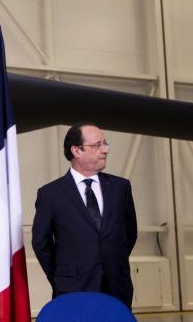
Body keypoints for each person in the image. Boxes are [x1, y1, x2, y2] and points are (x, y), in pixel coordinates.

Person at [31, 121, 138, 307]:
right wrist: (61, 277)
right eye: (97, 145)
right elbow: (41, 243)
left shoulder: (121, 188)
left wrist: (112, 262)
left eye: (105, 143)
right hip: (72, 288)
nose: (105, 150)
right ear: (76, 151)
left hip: (117, 287)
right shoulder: (50, 194)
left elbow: (130, 233)